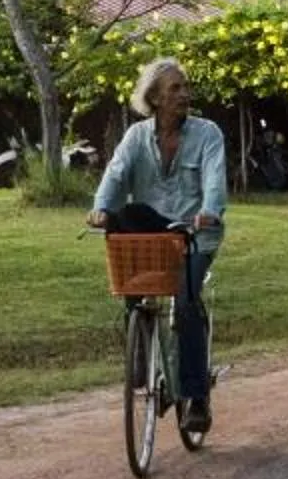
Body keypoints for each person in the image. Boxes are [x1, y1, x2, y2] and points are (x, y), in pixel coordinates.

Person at [87, 56, 227, 433]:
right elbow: (115, 174)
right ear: (154, 98)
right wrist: (101, 208)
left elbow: (214, 180)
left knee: (185, 301)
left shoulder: (208, 133)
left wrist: (210, 210)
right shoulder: (136, 138)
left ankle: (196, 396)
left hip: (195, 233)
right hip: (154, 232)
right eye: (175, 89)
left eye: (185, 86)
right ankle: (141, 342)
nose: (185, 94)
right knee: (124, 224)